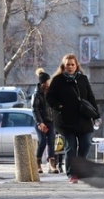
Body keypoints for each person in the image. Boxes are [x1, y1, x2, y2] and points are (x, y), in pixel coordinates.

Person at [46, 53, 99, 184]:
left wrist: (97, 115)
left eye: (72, 64)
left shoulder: (83, 78)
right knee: (71, 147)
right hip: (65, 120)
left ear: (76, 66)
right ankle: (72, 174)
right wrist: (59, 106)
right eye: (67, 65)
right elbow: (49, 97)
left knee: (86, 144)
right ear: (64, 66)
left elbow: (90, 97)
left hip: (83, 119)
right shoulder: (58, 80)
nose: (70, 67)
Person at [32, 68, 58, 174]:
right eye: (47, 81)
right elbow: (35, 109)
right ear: (43, 82)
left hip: (51, 121)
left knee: (51, 141)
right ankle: (37, 162)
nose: (49, 83)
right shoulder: (37, 94)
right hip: (40, 122)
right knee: (42, 141)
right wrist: (40, 122)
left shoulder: (51, 93)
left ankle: (52, 164)